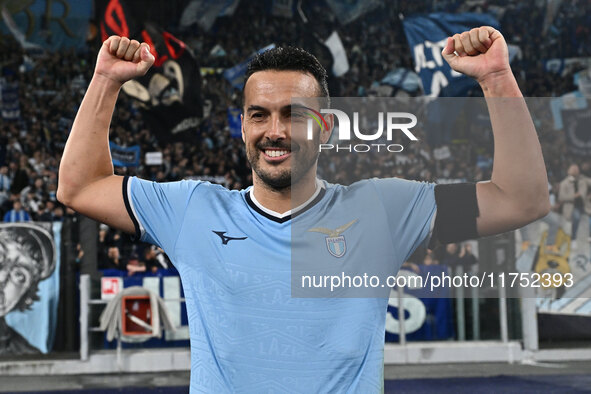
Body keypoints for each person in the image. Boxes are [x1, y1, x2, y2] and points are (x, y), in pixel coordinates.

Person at [58, 28, 550, 392]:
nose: (276, 130)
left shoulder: (381, 210)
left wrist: (496, 77)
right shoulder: (191, 209)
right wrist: (106, 80)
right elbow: (80, 186)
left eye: (295, 113)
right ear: (244, 128)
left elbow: (520, 198)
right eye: (260, 115)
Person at [558, 163, 588, 239]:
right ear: (568, 171)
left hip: (584, 205)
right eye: (573, 169)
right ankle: (573, 237)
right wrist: (574, 196)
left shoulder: (582, 179)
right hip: (572, 207)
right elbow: (561, 197)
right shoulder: (564, 183)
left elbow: (583, 192)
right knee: (577, 217)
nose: (575, 170)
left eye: (576, 169)